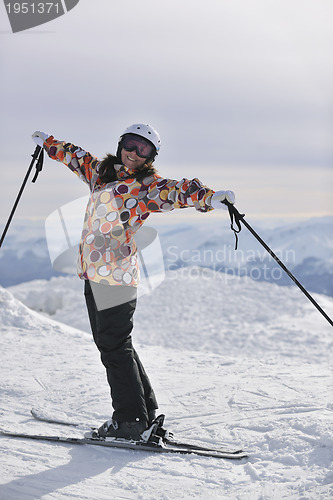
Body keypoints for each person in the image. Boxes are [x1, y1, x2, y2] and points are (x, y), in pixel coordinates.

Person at [32, 124, 235, 441]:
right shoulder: (100, 173)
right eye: (130, 143)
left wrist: (210, 198)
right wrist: (49, 144)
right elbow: (75, 156)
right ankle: (144, 412)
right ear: (121, 144)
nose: (134, 152)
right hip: (92, 272)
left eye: (144, 149)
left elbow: (179, 190)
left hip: (117, 277)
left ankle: (130, 421)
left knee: (114, 345)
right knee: (113, 343)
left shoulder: (147, 187)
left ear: (151, 157)